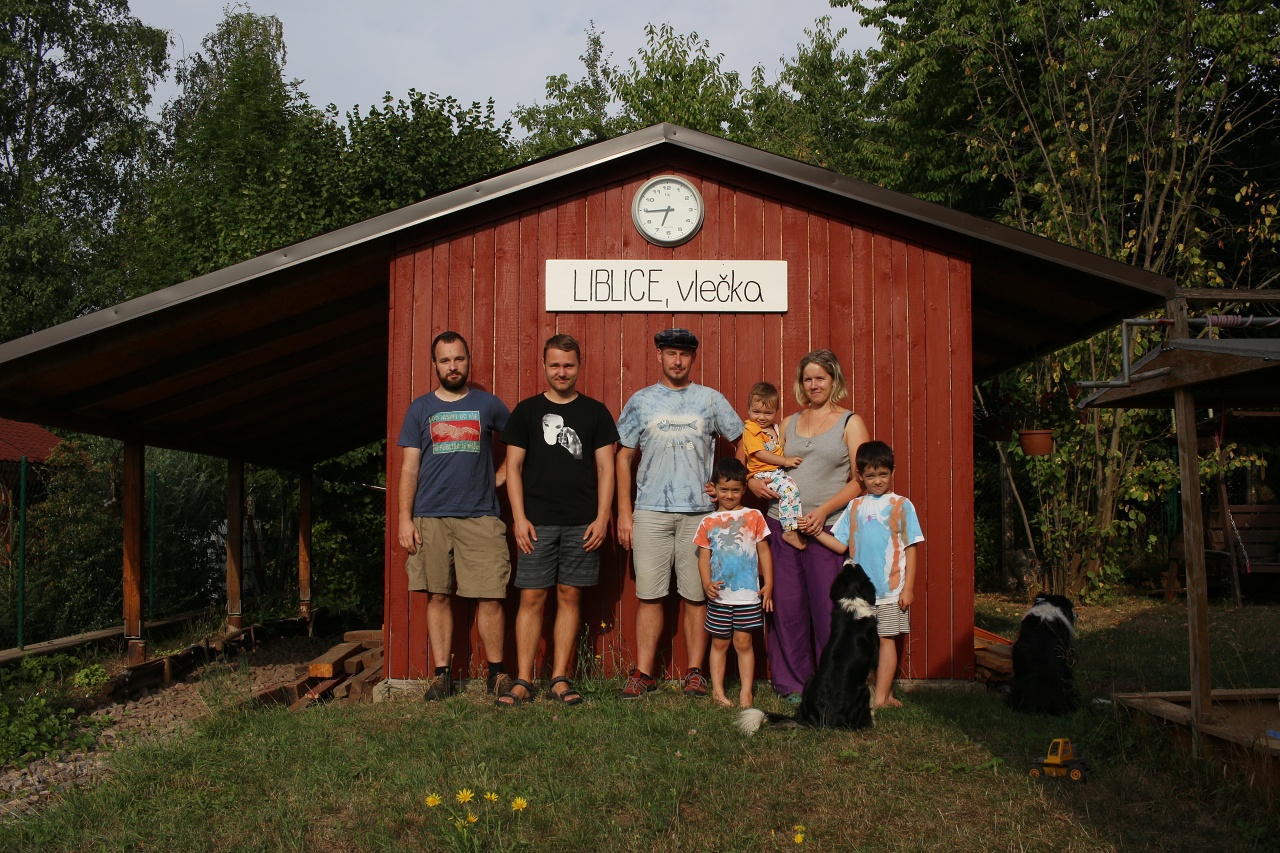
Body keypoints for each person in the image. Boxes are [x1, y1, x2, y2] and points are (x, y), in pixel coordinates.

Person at [615, 328, 744, 699]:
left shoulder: (711, 400)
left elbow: (742, 444)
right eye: (671, 353)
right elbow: (623, 457)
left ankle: (695, 672)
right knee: (650, 595)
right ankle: (644, 672)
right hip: (651, 511)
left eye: (684, 354)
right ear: (659, 355)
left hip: (700, 514)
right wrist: (625, 512)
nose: (677, 361)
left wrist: (728, 489)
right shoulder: (641, 401)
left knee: (696, 595)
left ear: (693, 358)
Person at [499, 335, 618, 706]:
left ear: (579, 365)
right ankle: (523, 679)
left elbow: (606, 469)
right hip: (536, 522)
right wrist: (518, 519)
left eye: (568, 365)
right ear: (545, 366)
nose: (562, 372)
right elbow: (513, 469)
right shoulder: (527, 412)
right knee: (531, 597)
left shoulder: (596, 413)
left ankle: (560, 679)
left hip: (582, 523)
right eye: (555, 365)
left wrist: (603, 518)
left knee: (570, 595)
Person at [747, 349, 869, 702]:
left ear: (834, 381)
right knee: (787, 607)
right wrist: (754, 484)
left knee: (826, 607)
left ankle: (831, 679)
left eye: (820, 377)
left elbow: (860, 478)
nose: (814, 384)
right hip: (781, 526)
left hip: (825, 528)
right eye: (807, 378)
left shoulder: (850, 422)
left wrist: (823, 511)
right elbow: (753, 460)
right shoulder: (786, 423)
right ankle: (792, 684)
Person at [396, 331, 512, 701]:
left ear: (468, 360)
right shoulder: (419, 409)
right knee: (438, 596)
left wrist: (499, 477)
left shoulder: (489, 405)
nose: (452, 366)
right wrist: (404, 518)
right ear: (435, 365)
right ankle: (442, 675)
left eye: (459, 359)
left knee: (491, 596)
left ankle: (496, 674)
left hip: (480, 516)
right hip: (430, 517)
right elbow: (409, 469)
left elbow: (519, 447)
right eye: (445, 360)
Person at [813, 440, 923, 708]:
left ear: (892, 472)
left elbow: (911, 548)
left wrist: (908, 588)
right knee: (860, 643)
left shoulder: (901, 505)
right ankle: (862, 691)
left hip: (890, 591)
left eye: (883, 474)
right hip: (859, 596)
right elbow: (840, 544)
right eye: (870, 475)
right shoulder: (854, 507)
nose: (877, 481)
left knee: (886, 642)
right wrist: (815, 532)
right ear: (859, 476)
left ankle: (882, 697)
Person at [694, 458, 773, 708]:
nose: (730, 495)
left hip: (748, 596)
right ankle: (718, 692)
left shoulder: (754, 516)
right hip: (719, 596)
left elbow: (764, 552)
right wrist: (706, 583)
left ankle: (746, 694)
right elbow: (704, 558)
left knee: (743, 642)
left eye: (736, 490)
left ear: (744, 489)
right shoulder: (707, 522)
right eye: (724, 489)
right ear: (714, 489)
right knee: (719, 643)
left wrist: (768, 583)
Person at [741, 381, 806, 551]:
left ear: (776, 412)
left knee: (791, 490)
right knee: (788, 491)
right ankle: (789, 530)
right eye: (756, 412)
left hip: (774, 471)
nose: (762, 417)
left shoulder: (775, 428)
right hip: (763, 472)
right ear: (748, 410)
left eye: (768, 413)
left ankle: (793, 523)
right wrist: (786, 461)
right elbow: (760, 453)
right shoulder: (752, 430)